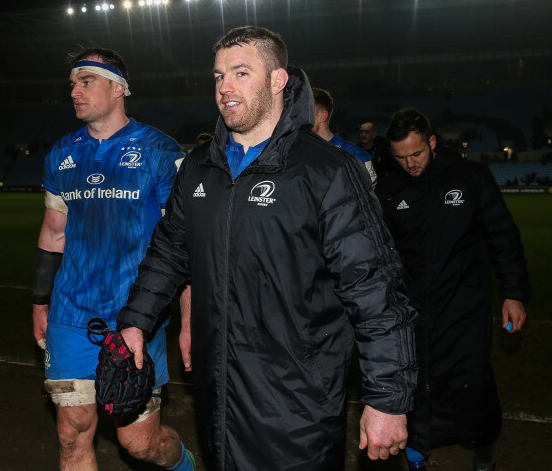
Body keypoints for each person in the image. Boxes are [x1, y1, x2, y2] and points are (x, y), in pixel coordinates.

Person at [116, 26, 417, 470]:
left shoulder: (328, 171)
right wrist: (136, 321)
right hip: (218, 397)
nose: (225, 87)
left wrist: (389, 399)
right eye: (218, 76)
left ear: (278, 81)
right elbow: (169, 252)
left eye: (241, 73)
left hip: (298, 405)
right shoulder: (199, 168)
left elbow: (374, 289)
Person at [31, 47, 195, 471]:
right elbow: (53, 234)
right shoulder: (61, 155)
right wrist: (39, 303)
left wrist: (189, 321)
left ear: (118, 88)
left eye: (86, 81)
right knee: (71, 433)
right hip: (71, 314)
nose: (74, 91)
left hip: (137, 318)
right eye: (72, 84)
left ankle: (183, 465)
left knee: (139, 444)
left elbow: (182, 247)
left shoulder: (161, 153)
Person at [375, 108, 530, 471]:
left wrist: (514, 292)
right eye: (401, 158)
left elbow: (502, 236)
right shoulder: (389, 189)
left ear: (431, 142)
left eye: (416, 154)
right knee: (418, 378)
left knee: (472, 379)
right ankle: (418, 446)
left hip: (465, 305)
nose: (410, 163)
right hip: (414, 308)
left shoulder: (470, 177)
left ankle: (483, 442)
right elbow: (382, 253)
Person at [312, 88, 377, 186]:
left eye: (306, 113)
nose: (300, 119)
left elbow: (371, 195)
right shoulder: (297, 152)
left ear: (322, 116)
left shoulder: (356, 155)